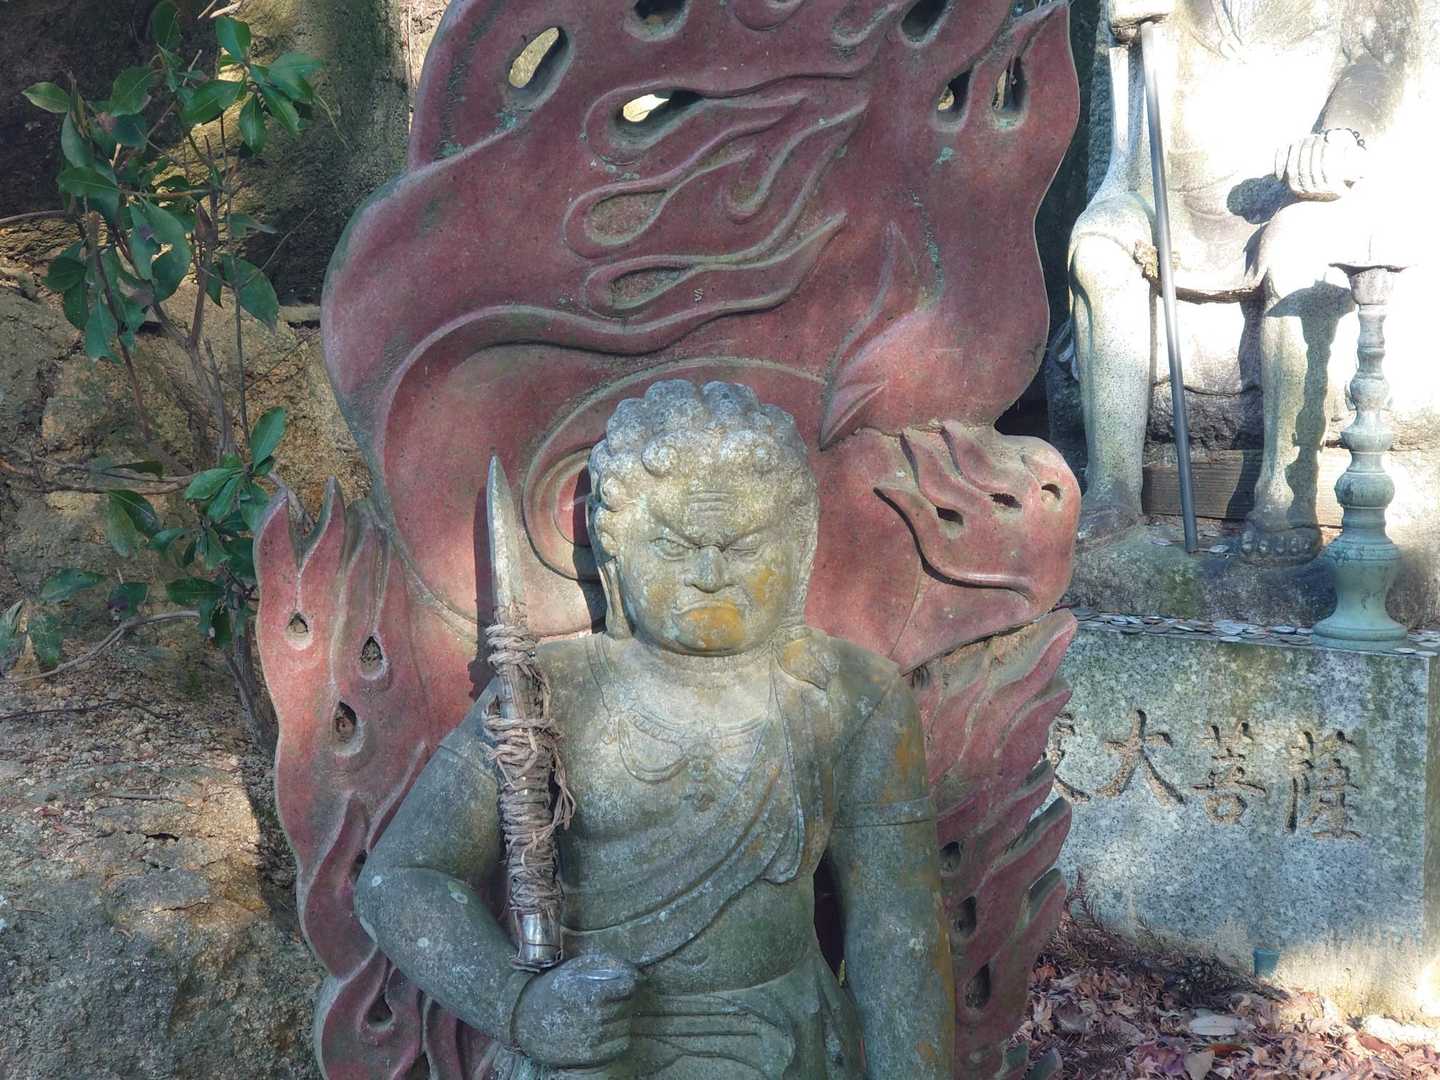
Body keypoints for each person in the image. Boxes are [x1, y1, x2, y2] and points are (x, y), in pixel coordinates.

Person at [354, 380, 955, 1078]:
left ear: (799, 550)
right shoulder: (547, 691)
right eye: (672, 546)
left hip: (784, 1045)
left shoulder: (853, 697)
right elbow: (398, 880)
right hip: (593, 1053)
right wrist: (518, 1008)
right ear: (614, 556)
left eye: (743, 546)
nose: (709, 575)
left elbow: (897, 934)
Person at [1070, 0, 1408, 558]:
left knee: (1301, 250)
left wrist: (1340, 141)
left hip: (1286, 198)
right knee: (1098, 245)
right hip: (1170, 203)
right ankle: (1112, 487)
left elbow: (1372, 64)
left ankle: (1285, 495)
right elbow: (1125, 44)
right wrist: (1122, 25)